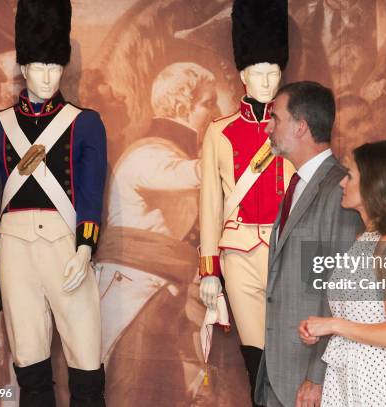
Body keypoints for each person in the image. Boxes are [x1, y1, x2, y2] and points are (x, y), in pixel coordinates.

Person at [0, 1, 107, 405]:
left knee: (86, 362)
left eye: (55, 66)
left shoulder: (85, 122)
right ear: (24, 67)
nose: (48, 76)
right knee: (29, 363)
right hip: (13, 251)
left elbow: (91, 191)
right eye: (39, 66)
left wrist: (85, 246)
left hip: (67, 249)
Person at [94, 62, 217, 406]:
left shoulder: (171, 153)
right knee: (130, 393)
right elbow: (186, 175)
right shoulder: (148, 154)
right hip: (132, 297)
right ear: (181, 107)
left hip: (162, 297)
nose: (217, 112)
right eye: (209, 103)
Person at [198, 1, 294, 405]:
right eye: (259, 71)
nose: (268, 80)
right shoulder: (219, 132)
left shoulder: (297, 126)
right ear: (242, 74)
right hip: (238, 252)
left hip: (289, 250)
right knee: (256, 359)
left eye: (274, 71)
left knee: (293, 353)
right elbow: (209, 205)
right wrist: (208, 271)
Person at [254, 81, 362, 407]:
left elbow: (339, 292)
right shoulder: (297, 183)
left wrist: (318, 375)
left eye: (276, 118)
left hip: (307, 379)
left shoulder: (338, 191)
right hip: (279, 370)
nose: (268, 127)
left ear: (300, 127)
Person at [299, 141, 386, 406]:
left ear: (374, 184)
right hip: (344, 381)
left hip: (376, 387)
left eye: (350, 175)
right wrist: (321, 327)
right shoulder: (365, 240)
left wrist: (332, 325)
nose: (342, 183)